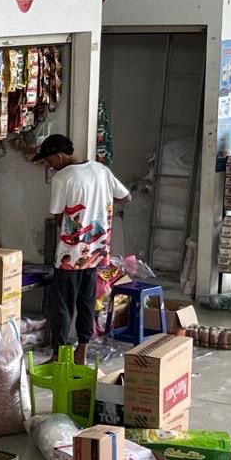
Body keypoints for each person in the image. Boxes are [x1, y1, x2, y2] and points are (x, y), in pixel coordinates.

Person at [32, 134, 131, 365]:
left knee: (61, 305)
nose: (49, 166)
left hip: (71, 255)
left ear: (58, 156)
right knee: (86, 302)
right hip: (98, 250)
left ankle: (59, 356)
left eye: (48, 161)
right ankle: (82, 353)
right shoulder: (101, 170)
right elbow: (126, 196)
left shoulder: (62, 178)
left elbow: (59, 217)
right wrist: (101, 206)